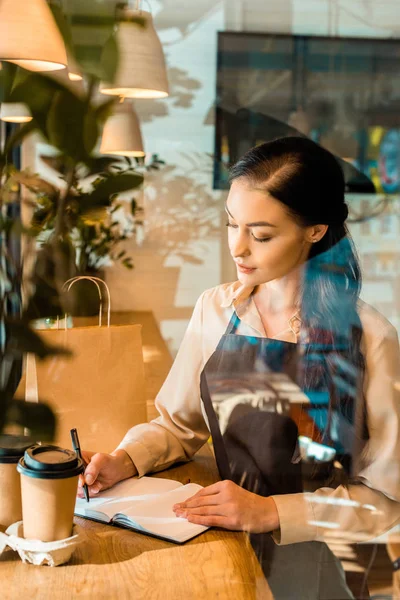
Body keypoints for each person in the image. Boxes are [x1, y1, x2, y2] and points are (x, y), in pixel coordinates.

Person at [80, 137, 400, 598]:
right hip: (217, 540)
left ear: (314, 230)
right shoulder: (216, 308)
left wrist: (270, 512)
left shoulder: (370, 336)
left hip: (320, 561)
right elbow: (177, 424)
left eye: (261, 234)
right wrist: (125, 460)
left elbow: (386, 501)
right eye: (232, 224)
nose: (238, 247)